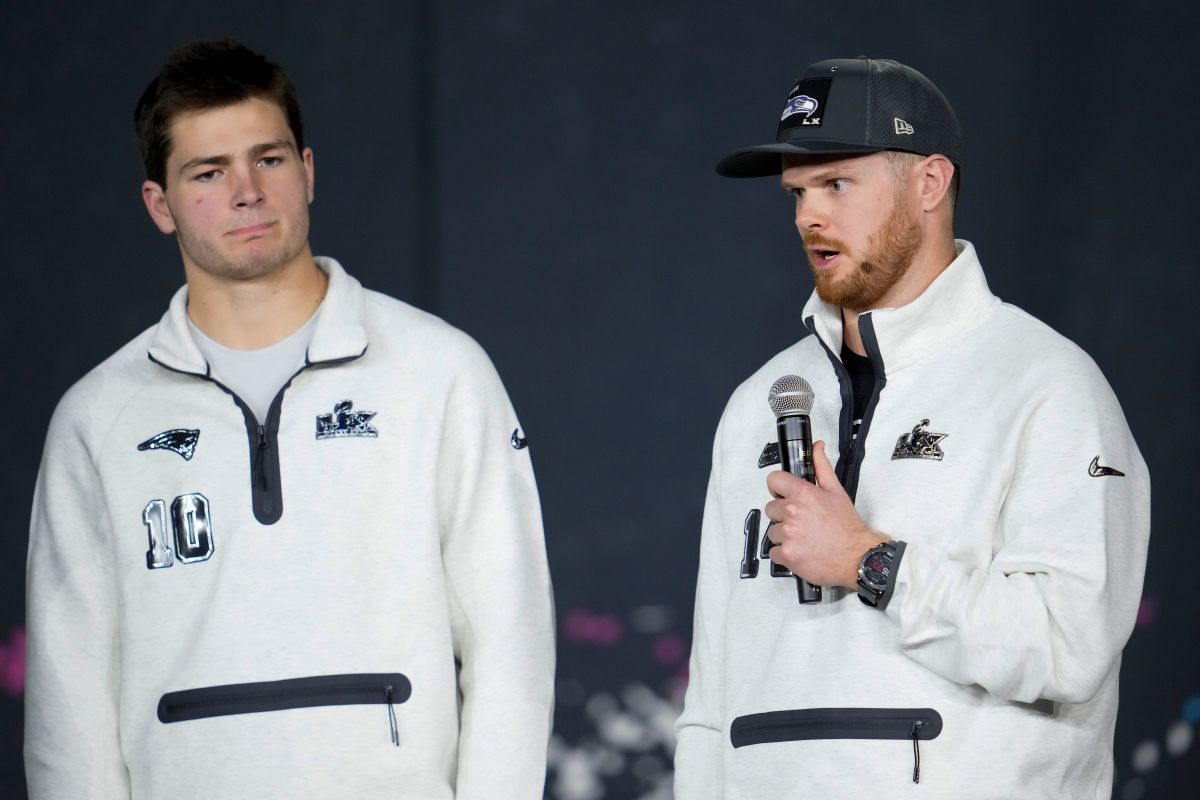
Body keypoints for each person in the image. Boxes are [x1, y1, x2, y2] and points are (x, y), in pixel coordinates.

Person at [25, 39, 554, 799]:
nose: (246, 192)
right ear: (158, 205)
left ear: (307, 172)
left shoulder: (439, 373)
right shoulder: (99, 418)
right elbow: (67, 704)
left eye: (267, 160)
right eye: (208, 172)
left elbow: (512, 645)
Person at [674, 56, 1150, 798]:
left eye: (837, 184)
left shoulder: (1048, 385)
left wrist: (872, 561)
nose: (809, 216)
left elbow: (1069, 644)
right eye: (798, 192)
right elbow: (710, 698)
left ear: (930, 182)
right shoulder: (759, 400)